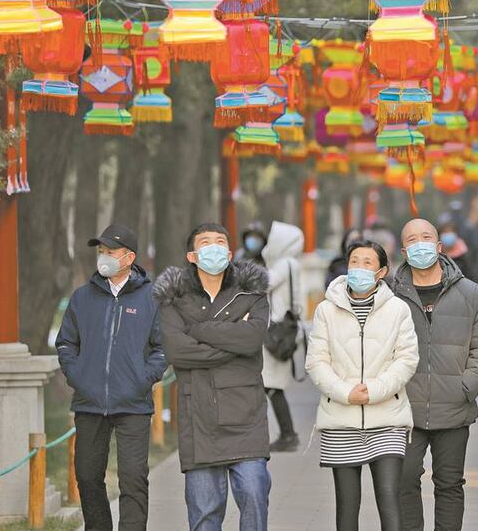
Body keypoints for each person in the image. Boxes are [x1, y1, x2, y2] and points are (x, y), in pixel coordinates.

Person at [155, 223, 271, 531]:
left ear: (230, 253)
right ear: (192, 256)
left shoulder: (251, 292)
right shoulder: (173, 298)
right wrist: (232, 339)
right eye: (205, 243)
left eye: (220, 242)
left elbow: (251, 340)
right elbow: (177, 351)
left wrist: (198, 331)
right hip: (198, 415)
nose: (214, 248)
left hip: (246, 413)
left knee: (255, 499)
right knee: (205, 514)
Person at [56, 223, 167, 531]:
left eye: (110, 252)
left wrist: (142, 380)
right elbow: (66, 342)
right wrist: (79, 378)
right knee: (88, 477)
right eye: (101, 251)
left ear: (129, 257)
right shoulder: (82, 297)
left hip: (133, 404)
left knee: (133, 479)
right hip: (89, 403)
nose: (103, 257)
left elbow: (162, 348)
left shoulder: (152, 298)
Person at [391, 218, 478, 531]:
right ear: (404, 250)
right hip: (403, 409)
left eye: (426, 237)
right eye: (412, 239)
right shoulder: (391, 297)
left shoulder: (471, 293)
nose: (419, 243)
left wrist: (467, 386)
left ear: (439, 247)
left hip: (453, 407)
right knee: (404, 483)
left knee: (449, 484)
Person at [306, 239, 419, 531]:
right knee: (347, 504)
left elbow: (407, 359)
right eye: (354, 261)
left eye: (367, 262)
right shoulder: (325, 310)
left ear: (381, 271)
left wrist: (375, 390)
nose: (359, 268)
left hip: (388, 416)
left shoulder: (398, 310)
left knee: (389, 498)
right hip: (340, 419)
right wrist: (346, 393)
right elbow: (316, 362)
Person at [262, 220, 305, 452]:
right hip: (284, 331)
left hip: (275, 332)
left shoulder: (284, 264)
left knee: (271, 386)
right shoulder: (292, 263)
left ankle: (288, 434)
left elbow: (263, 284)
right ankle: (287, 434)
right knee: (271, 385)